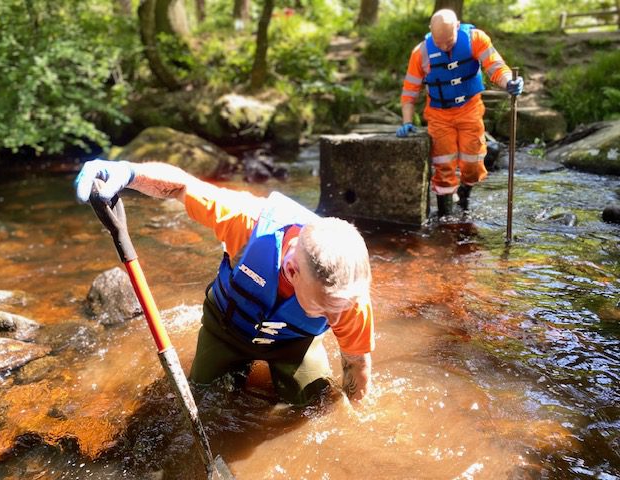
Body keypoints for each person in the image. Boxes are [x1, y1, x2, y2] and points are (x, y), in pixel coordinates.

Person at [75, 159, 374, 406]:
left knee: (315, 409)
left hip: (292, 344)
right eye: (323, 311)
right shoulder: (245, 223)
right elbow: (182, 186)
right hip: (226, 329)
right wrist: (127, 172)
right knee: (201, 402)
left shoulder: (347, 295)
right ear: (292, 269)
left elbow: (356, 365)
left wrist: (357, 420)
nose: (335, 320)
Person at [396, 9, 524, 217]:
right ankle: (445, 215)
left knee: (473, 164)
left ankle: (464, 194)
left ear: (457, 26)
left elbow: (496, 66)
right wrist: (407, 122)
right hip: (439, 114)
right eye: (439, 43)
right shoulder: (420, 53)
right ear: (430, 32)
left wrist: (509, 82)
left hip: (469, 109)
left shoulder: (475, 39)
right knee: (443, 165)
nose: (445, 46)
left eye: (449, 41)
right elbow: (409, 92)